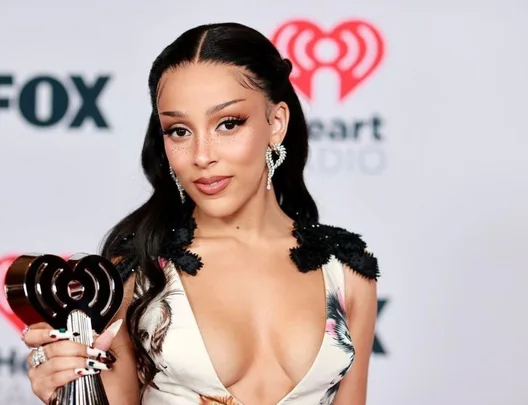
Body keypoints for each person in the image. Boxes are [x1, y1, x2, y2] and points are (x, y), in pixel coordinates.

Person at [21, 22, 380, 405]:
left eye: (227, 124)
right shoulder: (137, 272)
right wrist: (66, 391)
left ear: (276, 123)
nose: (202, 155)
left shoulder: (346, 270)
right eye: (179, 130)